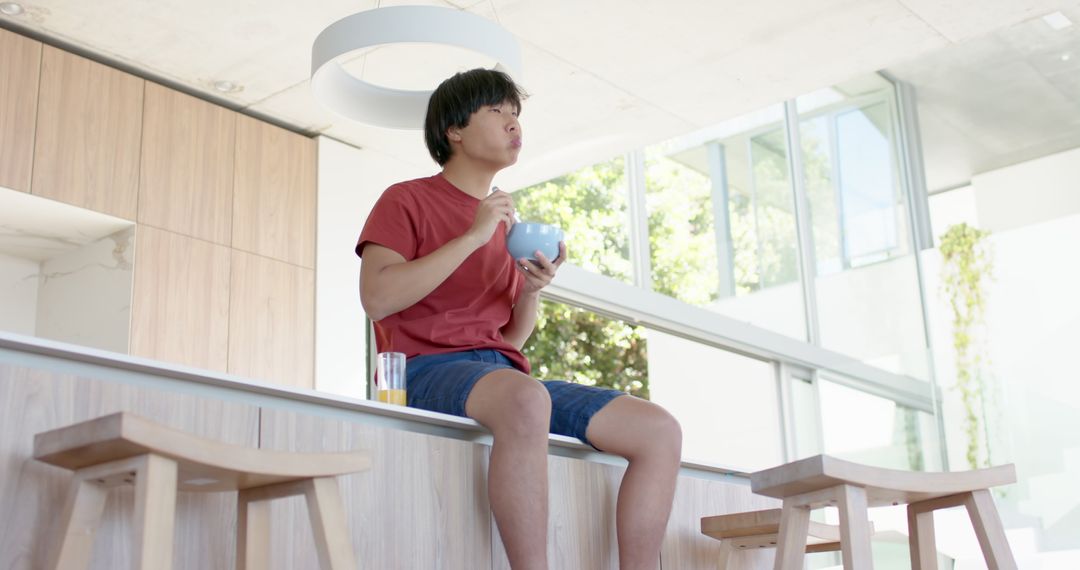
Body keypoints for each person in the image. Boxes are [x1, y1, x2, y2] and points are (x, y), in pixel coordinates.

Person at [356, 68, 682, 570]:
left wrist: (531, 290)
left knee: (658, 430)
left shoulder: (508, 224)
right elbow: (378, 298)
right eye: (497, 111)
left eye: (516, 114)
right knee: (526, 398)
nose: (513, 124)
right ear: (454, 130)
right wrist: (471, 235)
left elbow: (509, 336)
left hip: (502, 377)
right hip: (425, 371)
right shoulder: (407, 199)